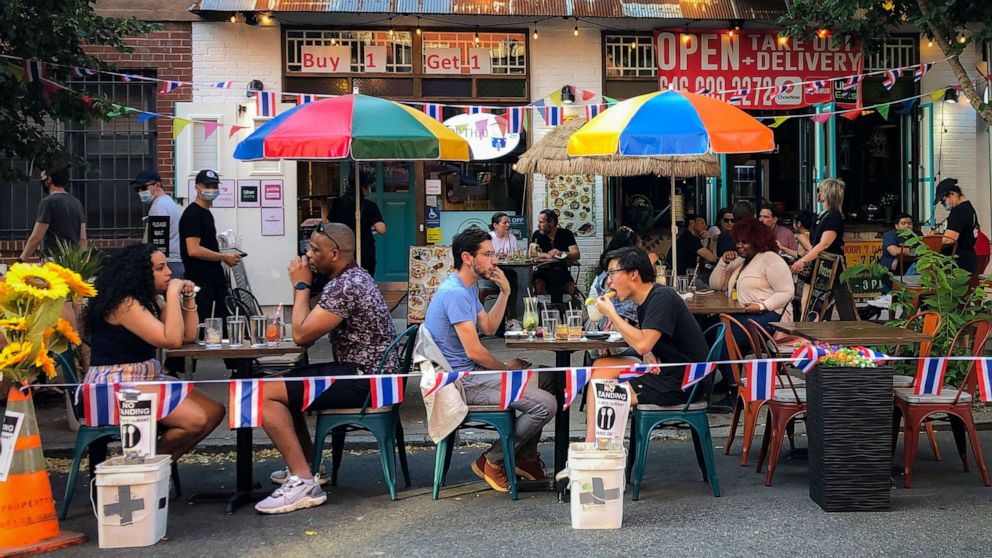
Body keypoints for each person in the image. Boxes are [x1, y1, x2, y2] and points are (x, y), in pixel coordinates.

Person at [254, 222, 399, 515]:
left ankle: (303, 481)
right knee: (279, 384)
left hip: (366, 378)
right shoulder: (354, 277)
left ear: (334, 254)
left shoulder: (346, 285)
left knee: (263, 392)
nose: (307, 256)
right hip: (368, 373)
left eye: (314, 250)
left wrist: (300, 286)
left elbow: (301, 335)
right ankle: (307, 463)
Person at [424, 228, 555, 493]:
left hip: (473, 373)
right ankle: (493, 460)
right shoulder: (455, 293)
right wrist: (507, 371)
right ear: (467, 258)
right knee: (546, 404)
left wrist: (505, 292)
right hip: (459, 382)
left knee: (552, 377)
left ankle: (525, 458)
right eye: (488, 254)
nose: (494, 260)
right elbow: (475, 351)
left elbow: (489, 328)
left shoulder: (467, 288)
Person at [81, 244, 224, 461]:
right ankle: (140, 470)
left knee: (214, 411)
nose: (169, 272)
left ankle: (155, 467)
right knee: (195, 420)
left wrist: (188, 299)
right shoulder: (125, 304)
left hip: (144, 377)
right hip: (114, 382)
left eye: (166, 266)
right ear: (140, 273)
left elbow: (187, 336)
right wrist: (174, 295)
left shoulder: (151, 300)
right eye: (160, 268)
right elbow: (171, 340)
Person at [585, 247, 709, 441]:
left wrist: (611, 314)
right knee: (601, 366)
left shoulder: (662, 298)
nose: (608, 281)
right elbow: (648, 343)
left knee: (606, 393)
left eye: (612, 273)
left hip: (683, 381)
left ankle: (603, 454)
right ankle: (590, 445)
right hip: (664, 369)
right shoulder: (646, 300)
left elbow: (642, 343)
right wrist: (649, 352)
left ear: (633, 273)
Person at [709, 218, 795, 348]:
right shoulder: (740, 261)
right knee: (707, 327)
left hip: (771, 317)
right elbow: (716, 285)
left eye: (744, 242)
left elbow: (787, 291)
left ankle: (730, 368)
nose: (739, 245)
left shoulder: (770, 259)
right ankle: (712, 367)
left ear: (757, 241)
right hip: (743, 314)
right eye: (737, 241)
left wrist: (762, 306)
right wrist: (723, 262)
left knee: (725, 335)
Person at [179, 169, 240, 330]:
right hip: (201, 280)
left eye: (214, 186)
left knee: (226, 321)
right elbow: (194, 249)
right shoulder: (193, 214)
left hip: (214, 279)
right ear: (197, 187)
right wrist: (223, 257)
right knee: (200, 324)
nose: (212, 190)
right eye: (207, 185)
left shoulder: (206, 213)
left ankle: (235, 354)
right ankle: (183, 355)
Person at [790, 178, 855, 319]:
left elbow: (824, 244)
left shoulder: (834, 217)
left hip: (829, 265)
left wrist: (803, 261)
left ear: (827, 194)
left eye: (820, 191)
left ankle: (813, 333)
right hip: (819, 264)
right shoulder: (822, 216)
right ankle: (805, 332)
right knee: (806, 302)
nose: (818, 194)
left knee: (819, 305)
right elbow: (816, 245)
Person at [18, 167, 87, 262]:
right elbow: (82, 238)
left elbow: (36, 237)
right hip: (73, 261)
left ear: (49, 179)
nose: (42, 181)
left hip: (53, 259)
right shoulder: (77, 203)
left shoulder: (48, 202)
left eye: (43, 177)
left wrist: (21, 260)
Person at [133, 170, 184, 278]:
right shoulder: (168, 202)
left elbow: (158, 241)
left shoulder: (159, 207)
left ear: (157, 185)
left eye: (143, 188)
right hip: (175, 261)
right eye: (137, 189)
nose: (140, 192)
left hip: (167, 263)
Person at [328, 183, 386, 277]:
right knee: (365, 278)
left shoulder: (338, 204)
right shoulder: (370, 206)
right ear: (364, 188)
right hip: (365, 248)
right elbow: (381, 229)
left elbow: (329, 225)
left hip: (343, 248)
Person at [530, 209, 580, 303]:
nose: (538, 225)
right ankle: (546, 310)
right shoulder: (537, 234)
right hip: (543, 271)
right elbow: (532, 253)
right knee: (539, 286)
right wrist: (546, 255)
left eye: (541, 222)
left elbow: (576, 254)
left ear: (551, 223)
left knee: (570, 288)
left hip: (562, 271)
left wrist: (561, 253)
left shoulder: (566, 234)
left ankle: (566, 312)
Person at [935, 177, 978, 275]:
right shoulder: (969, 208)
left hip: (957, 264)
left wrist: (929, 245)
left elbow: (949, 239)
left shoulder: (958, 211)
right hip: (968, 260)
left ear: (952, 194)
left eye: (943, 201)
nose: (944, 204)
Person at [489, 212, 519, 319]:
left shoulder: (512, 238)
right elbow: (486, 256)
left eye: (508, 223)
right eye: (504, 222)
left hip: (507, 269)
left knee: (511, 275)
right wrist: (497, 255)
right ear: (495, 225)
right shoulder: (488, 238)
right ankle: (510, 318)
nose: (508, 225)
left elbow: (515, 255)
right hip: (491, 271)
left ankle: (510, 318)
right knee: (509, 276)